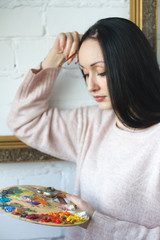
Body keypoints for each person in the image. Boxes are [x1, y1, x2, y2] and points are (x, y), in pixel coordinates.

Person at [8, 17, 160, 240]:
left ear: (131, 66)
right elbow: (23, 120)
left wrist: (93, 221)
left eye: (101, 72)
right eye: (85, 73)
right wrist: (56, 56)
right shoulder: (91, 123)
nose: (91, 86)